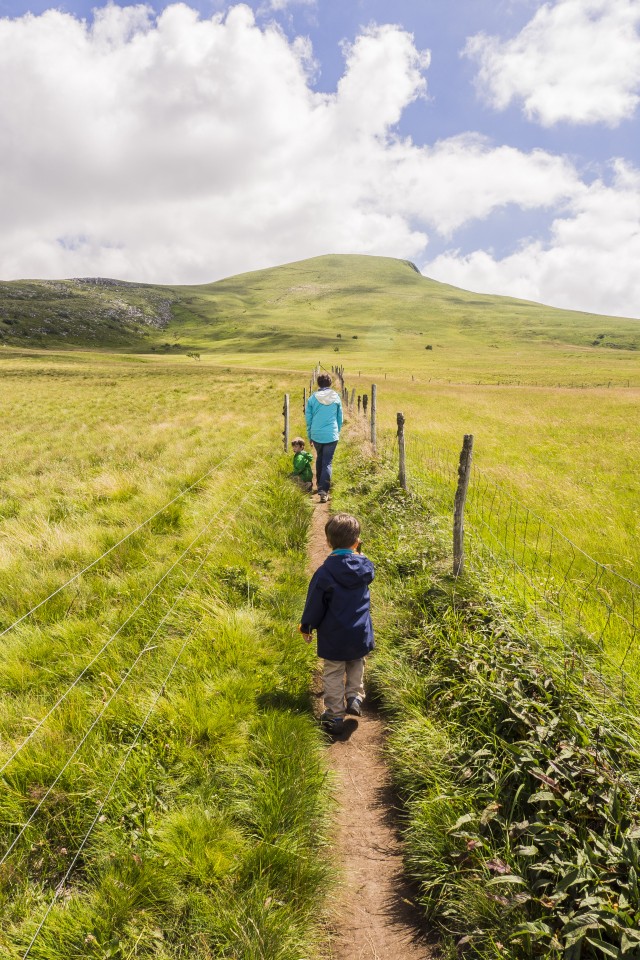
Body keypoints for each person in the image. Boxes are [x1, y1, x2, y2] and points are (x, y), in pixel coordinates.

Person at [299, 513, 374, 735]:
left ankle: (334, 714)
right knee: (356, 664)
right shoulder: (366, 569)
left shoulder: (324, 573)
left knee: (333, 672)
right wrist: (359, 555)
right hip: (360, 632)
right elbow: (364, 565)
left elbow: (315, 604)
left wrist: (307, 626)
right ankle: (355, 697)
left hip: (333, 635)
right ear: (357, 542)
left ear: (328, 542)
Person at [305, 373, 343, 503]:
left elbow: (308, 419)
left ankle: (319, 486)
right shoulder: (336, 397)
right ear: (330, 383)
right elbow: (340, 418)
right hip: (331, 434)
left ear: (318, 383)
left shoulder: (311, 399)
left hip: (316, 433)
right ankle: (323, 491)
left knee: (319, 457)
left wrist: (310, 435)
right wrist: (337, 431)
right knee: (327, 461)